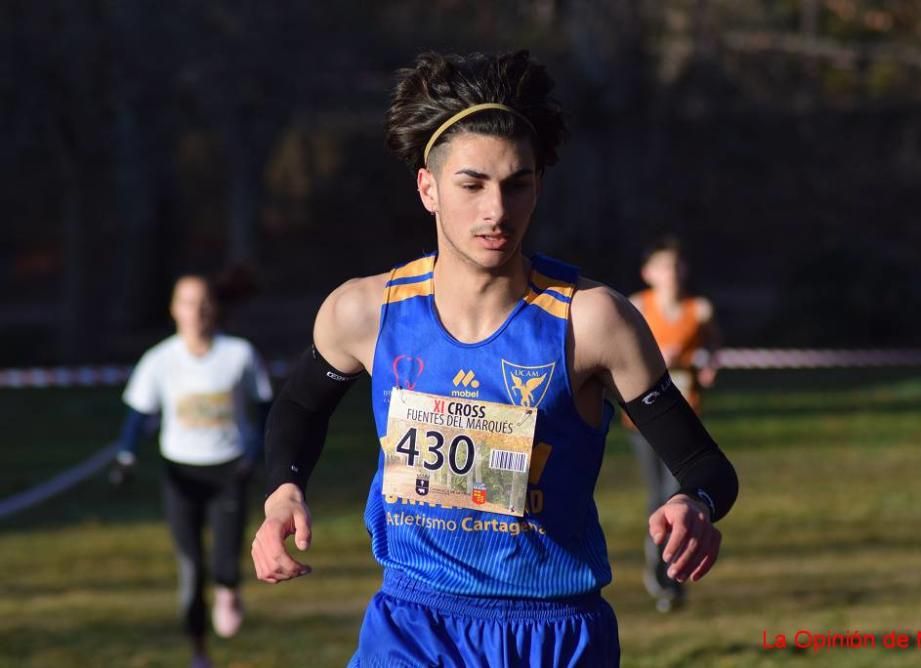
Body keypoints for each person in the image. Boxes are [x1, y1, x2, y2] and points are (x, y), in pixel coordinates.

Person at [251, 50, 738, 667]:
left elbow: (706, 466)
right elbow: (298, 403)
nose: (496, 212)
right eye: (472, 184)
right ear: (428, 187)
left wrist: (694, 504)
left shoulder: (591, 322)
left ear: (539, 186)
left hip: (554, 635)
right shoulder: (364, 313)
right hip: (412, 623)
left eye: (517, 185)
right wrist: (282, 491)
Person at [113, 275, 273, 668]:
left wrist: (257, 450)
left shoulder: (239, 354)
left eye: (202, 302)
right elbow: (137, 416)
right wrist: (126, 456)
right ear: (174, 309)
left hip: (230, 470)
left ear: (213, 308)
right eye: (187, 302)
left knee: (224, 559)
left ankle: (229, 588)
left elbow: (265, 405)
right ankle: (199, 650)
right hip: (181, 475)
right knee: (190, 566)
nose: (196, 311)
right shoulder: (159, 360)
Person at [626, 235, 721, 612]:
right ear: (648, 273)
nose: (673, 273)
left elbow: (714, 345)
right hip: (644, 422)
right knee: (657, 497)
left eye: (678, 265)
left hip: (687, 416)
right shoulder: (636, 307)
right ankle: (659, 569)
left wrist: (709, 363)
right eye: (665, 266)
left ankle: (672, 578)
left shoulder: (700, 310)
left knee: (676, 495)